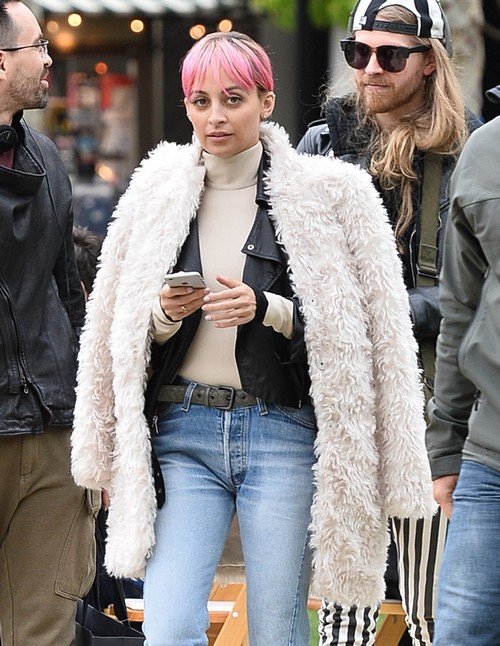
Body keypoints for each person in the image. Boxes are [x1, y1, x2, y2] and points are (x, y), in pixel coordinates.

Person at [70, 31, 435, 646]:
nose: (215, 116)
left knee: (277, 630)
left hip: (282, 432)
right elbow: (114, 327)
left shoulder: (330, 193)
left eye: (233, 99)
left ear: (267, 102)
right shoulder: (155, 191)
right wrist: (162, 313)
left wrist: (270, 309)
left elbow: (364, 330)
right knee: (168, 627)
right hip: (183, 432)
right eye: (201, 101)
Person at [297, 1, 482, 644]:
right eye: (358, 52)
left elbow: (478, 291)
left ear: (430, 62)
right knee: (345, 612)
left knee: (433, 611)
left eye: (390, 55)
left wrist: (392, 309)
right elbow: (292, 266)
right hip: (342, 404)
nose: (369, 68)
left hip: (438, 405)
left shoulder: (471, 151)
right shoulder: (323, 144)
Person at [0, 2, 98, 645]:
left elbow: (69, 296)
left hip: (52, 431)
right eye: (37, 45)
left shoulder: (45, 156)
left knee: (43, 632)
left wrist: (94, 425)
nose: (47, 59)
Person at [426, 97, 500, 645]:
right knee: (461, 634)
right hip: (490, 457)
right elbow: (459, 309)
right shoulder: (486, 149)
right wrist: (447, 445)